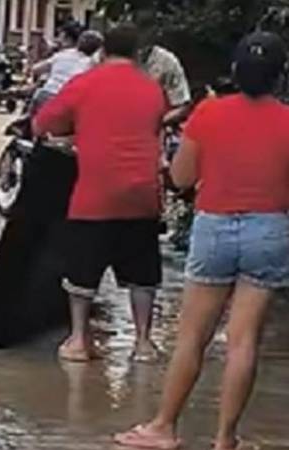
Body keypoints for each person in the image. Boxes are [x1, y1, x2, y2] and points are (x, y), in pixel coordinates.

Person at [115, 32, 289, 450]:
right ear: (280, 76)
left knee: (192, 336)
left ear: (234, 70)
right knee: (243, 340)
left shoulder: (208, 113)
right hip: (270, 229)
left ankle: (163, 428)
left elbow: (182, 178)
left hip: (214, 226)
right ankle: (226, 438)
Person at [33, 24, 167, 363]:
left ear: (103, 51)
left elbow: (44, 124)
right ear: (138, 54)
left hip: (95, 195)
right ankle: (143, 343)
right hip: (143, 196)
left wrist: (74, 132)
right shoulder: (151, 89)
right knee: (142, 275)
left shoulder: (85, 83)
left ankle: (79, 340)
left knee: (82, 271)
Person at [29, 26, 102, 113]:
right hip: (65, 101)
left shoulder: (63, 54)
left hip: (44, 95)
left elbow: (36, 69)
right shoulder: (92, 64)